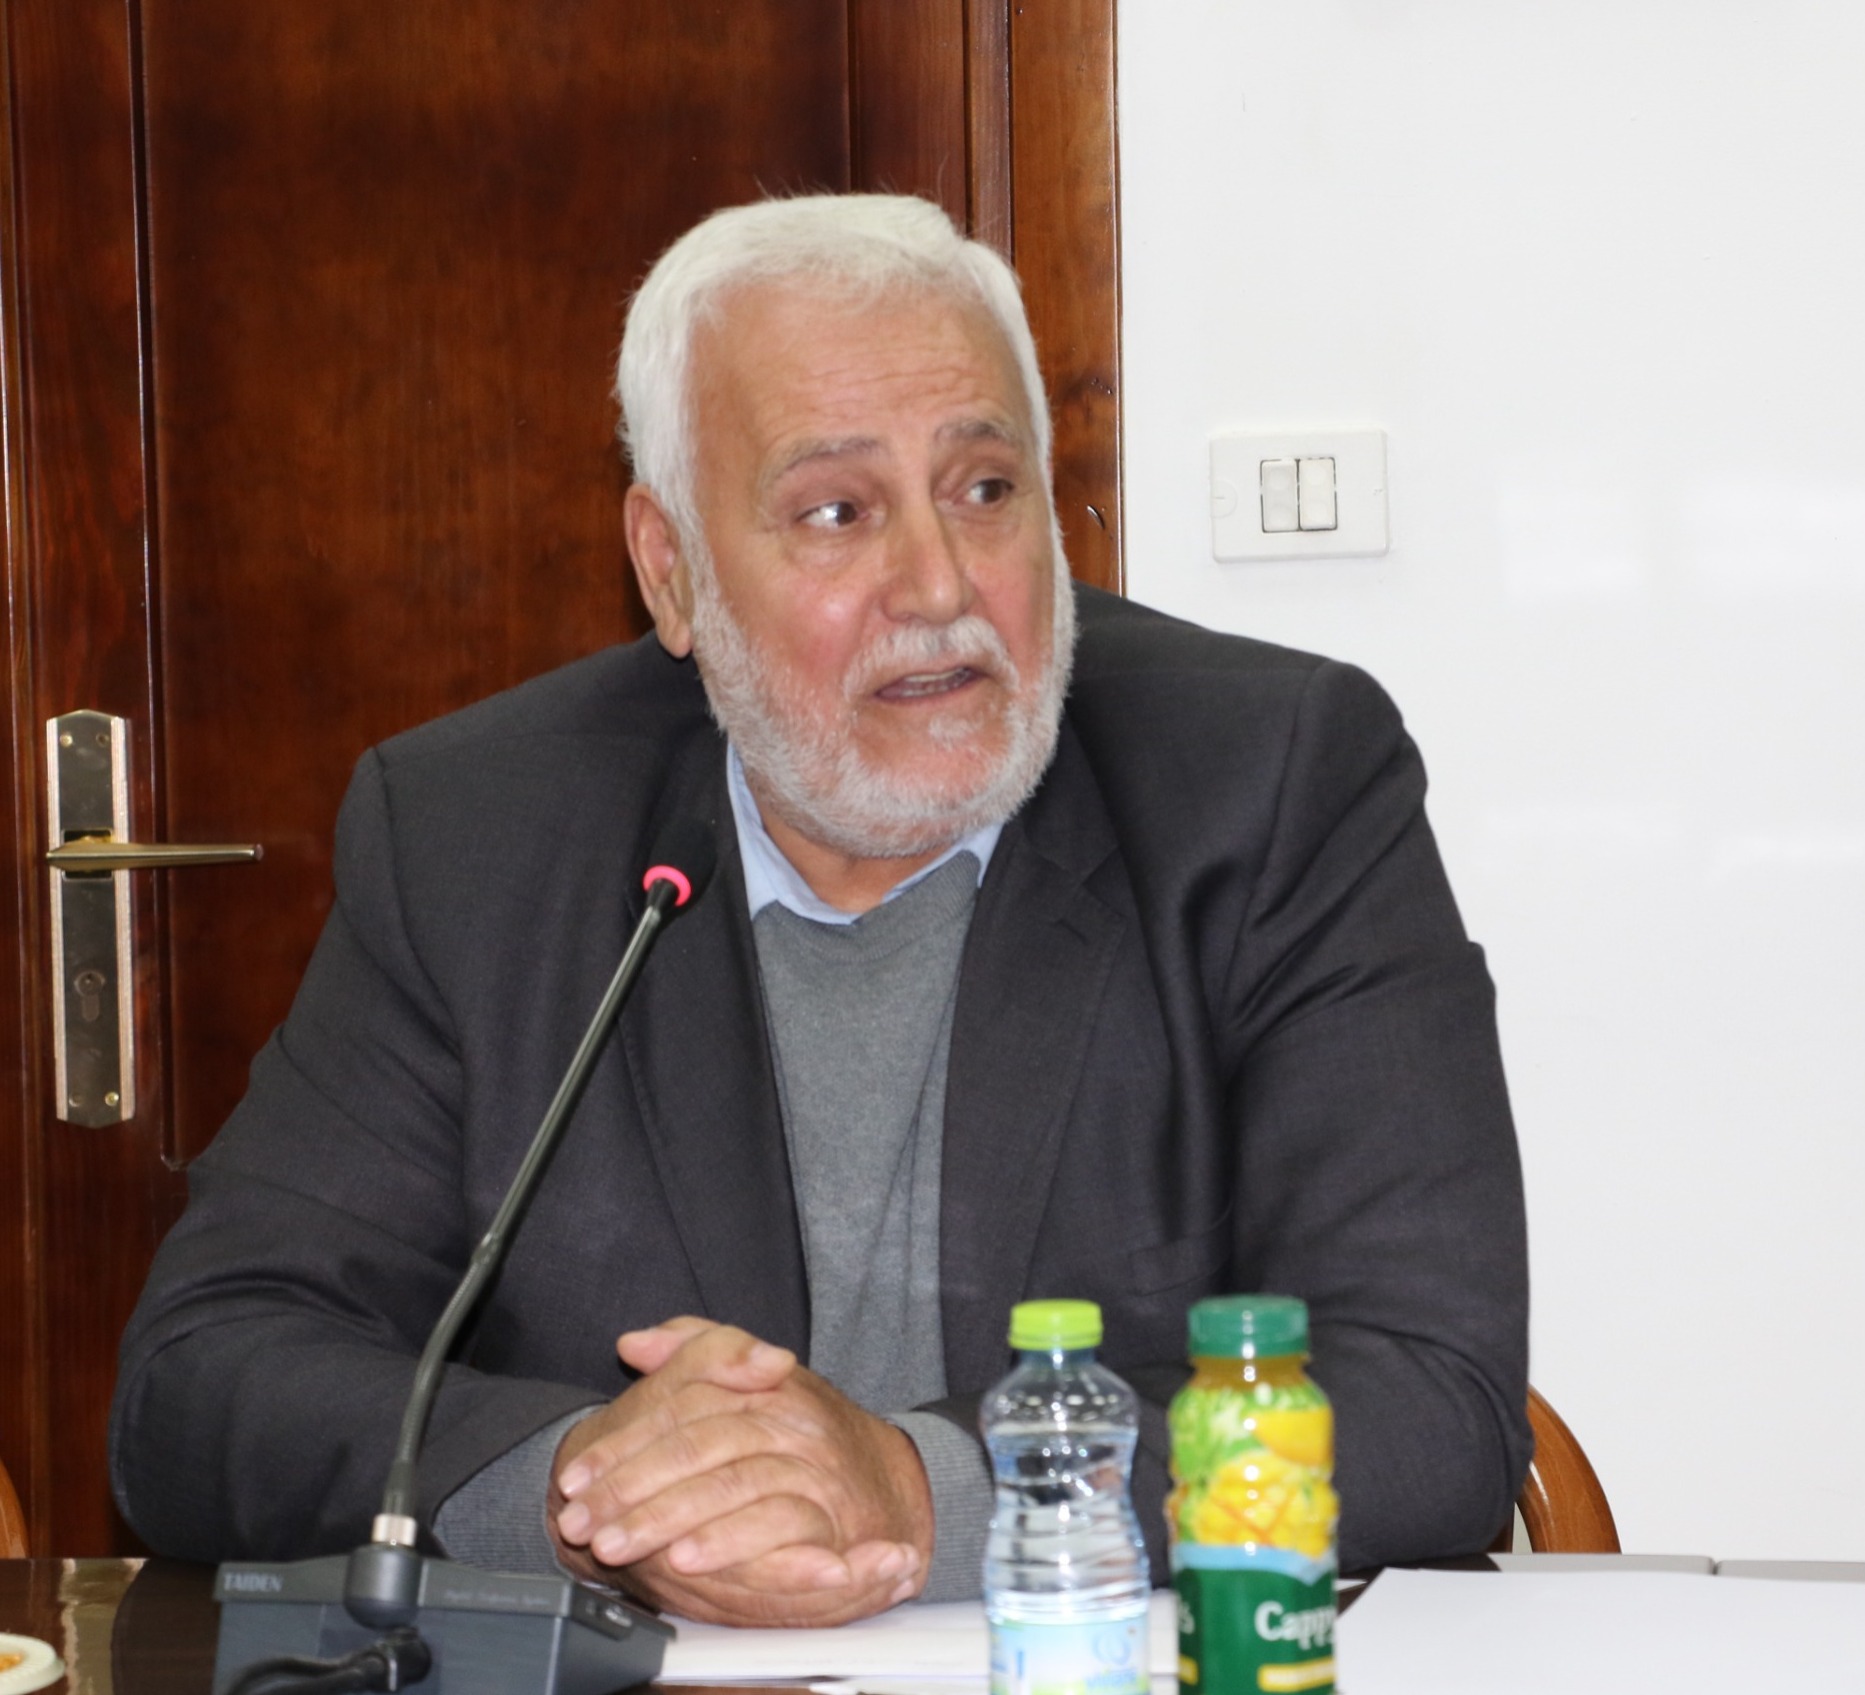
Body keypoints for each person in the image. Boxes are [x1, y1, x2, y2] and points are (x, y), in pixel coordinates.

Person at [110, 194, 1531, 1628]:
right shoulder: (478, 834)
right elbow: (205, 1377)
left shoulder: (1270, 783)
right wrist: (591, 1495)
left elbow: (1425, 1397)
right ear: (671, 571)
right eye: (837, 512)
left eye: (986, 488)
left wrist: (919, 1488)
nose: (938, 582)